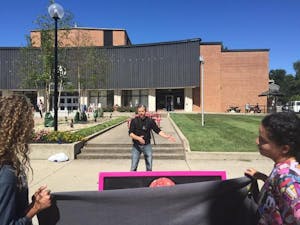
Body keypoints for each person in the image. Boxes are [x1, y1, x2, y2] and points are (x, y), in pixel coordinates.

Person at [0, 95, 51, 225]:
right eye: (29, 120)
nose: (33, 125)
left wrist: (34, 204)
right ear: (18, 126)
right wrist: (36, 208)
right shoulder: (7, 172)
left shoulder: (8, 160)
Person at [244, 112, 300, 225]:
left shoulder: (287, 179)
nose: (257, 141)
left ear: (284, 148)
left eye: (263, 140)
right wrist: (264, 178)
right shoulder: (284, 171)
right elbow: (281, 191)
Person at [129, 104, 176, 171]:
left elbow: (157, 130)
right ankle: (132, 180)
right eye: (139, 111)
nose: (141, 113)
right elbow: (130, 133)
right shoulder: (134, 121)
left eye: (142, 111)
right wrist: (138, 138)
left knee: (149, 167)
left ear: (145, 111)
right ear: (137, 111)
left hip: (147, 145)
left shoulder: (150, 121)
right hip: (136, 146)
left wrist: (166, 136)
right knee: (133, 167)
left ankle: (148, 180)